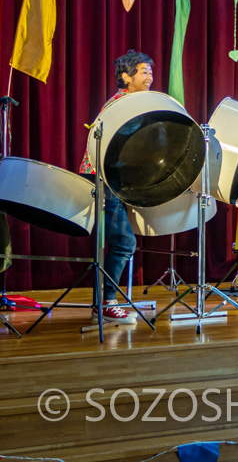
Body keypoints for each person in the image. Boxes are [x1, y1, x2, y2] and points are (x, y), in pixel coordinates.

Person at [78, 50, 154, 324]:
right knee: (123, 242)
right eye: (143, 72)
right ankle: (107, 304)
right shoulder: (122, 103)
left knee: (121, 241)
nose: (149, 77)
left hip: (113, 179)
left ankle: (104, 302)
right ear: (126, 77)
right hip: (103, 178)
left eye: (150, 72)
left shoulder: (134, 102)